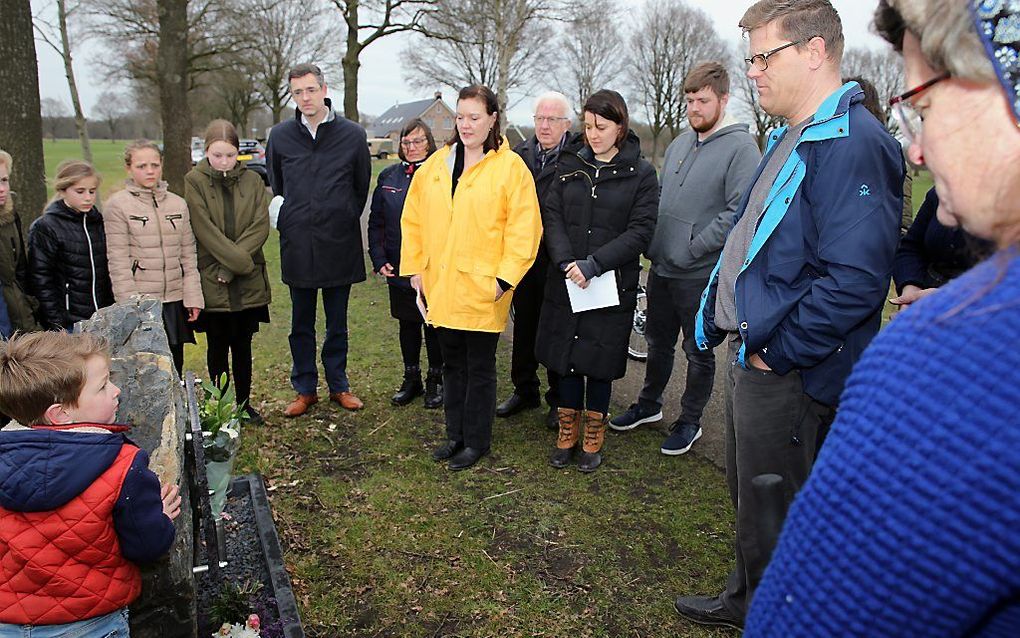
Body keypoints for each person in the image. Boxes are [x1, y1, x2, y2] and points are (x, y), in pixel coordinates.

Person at [746, 3, 1020, 632]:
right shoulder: (793, 136)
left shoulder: (954, 362)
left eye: (924, 108)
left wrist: (775, 351)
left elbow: (811, 619)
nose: (917, 149)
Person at [676, 0, 904, 629]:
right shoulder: (793, 137)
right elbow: (749, 244)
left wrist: (774, 353)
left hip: (792, 372)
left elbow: (855, 282)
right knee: (754, 496)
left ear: (813, 52)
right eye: (749, 58)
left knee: (783, 504)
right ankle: (750, 598)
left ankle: (786, 617)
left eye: (762, 57)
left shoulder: (853, 144)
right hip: (760, 356)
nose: (751, 72)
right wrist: (717, 315)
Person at [609, 62, 761, 456]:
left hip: (699, 273)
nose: (694, 108)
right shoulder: (678, 142)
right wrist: (655, 241)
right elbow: (660, 200)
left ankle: (690, 420)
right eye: (690, 100)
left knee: (697, 350)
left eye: (703, 100)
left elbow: (736, 214)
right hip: (662, 267)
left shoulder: (741, 149)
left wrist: (691, 247)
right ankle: (649, 404)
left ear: (723, 100)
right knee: (657, 342)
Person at [0, 331, 180, 634]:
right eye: (103, 386)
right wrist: (159, 517)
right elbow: (146, 546)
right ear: (60, 414)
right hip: (92, 623)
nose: (117, 390)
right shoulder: (123, 465)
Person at [400, 84, 542, 471]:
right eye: (460, 117)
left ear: (493, 119)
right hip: (440, 286)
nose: (465, 125)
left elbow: (524, 230)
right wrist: (414, 270)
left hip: (482, 289)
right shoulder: (437, 165)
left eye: (474, 117)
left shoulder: (510, 169)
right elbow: (412, 219)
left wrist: (504, 280)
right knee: (451, 364)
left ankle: (476, 440)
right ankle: (454, 434)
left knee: (479, 368)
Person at [536, 89, 659, 473]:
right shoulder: (570, 164)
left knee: (598, 359)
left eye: (601, 127)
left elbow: (641, 231)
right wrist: (565, 261)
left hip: (608, 282)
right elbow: (552, 214)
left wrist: (595, 264)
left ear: (620, 127)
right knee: (568, 357)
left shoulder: (641, 173)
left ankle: (594, 431)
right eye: (588, 126)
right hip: (567, 279)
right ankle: (566, 429)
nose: (592, 134)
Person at [266, 63, 372, 418]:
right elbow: (278, 187)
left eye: (311, 90)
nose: (305, 98)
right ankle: (305, 388)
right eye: (298, 92)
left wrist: (338, 214)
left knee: (337, 323)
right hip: (298, 244)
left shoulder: (353, 135)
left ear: (325, 89)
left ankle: (339, 385)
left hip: (339, 242)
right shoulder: (280, 137)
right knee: (301, 323)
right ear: (292, 96)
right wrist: (297, 219)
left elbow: (359, 189)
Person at [185, 120, 272, 425]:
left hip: (243, 279)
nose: (224, 161)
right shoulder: (194, 181)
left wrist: (234, 267)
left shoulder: (253, 182)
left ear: (239, 154)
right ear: (206, 152)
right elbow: (204, 229)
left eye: (230, 155)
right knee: (218, 346)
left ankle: (244, 404)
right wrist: (236, 263)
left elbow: (260, 226)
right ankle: (220, 406)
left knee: (243, 345)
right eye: (217, 155)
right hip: (212, 278)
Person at [495, 91, 572, 427]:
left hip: (558, 258)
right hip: (524, 256)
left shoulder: (577, 157)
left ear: (566, 124)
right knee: (523, 326)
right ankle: (524, 389)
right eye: (540, 118)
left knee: (556, 329)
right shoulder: (520, 154)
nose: (544, 125)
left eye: (552, 119)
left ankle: (558, 399)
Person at [103, 140, 203, 377]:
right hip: (143, 301)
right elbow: (118, 260)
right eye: (142, 166)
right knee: (147, 368)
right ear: (129, 168)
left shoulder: (178, 203)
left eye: (154, 165)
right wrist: (130, 306)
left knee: (175, 363)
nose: (150, 171)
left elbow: (188, 254)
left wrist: (193, 296)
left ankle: (176, 411)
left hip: (175, 299)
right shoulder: (118, 206)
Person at [368, 119, 443, 409]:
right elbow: (376, 222)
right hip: (398, 267)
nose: (412, 147)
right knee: (407, 324)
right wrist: (379, 258)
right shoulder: (388, 177)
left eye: (419, 141)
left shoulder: (442, 175)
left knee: (433, 325)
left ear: (429, 143)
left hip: (432, 269)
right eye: (407, 142)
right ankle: (411, 378)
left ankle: (437, 378)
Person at [27, 160, 115, 332]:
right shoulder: (46, 227)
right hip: (68, 322)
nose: (88, 198)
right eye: (80, 192)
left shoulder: (98, 223)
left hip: (103, 318)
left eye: (92, 191)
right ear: (63, 190)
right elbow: (41, 279)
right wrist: (56, 323)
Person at [890, 186, 994, 307]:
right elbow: (911, 247)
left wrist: (950, 297)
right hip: (925, 307)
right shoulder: (942, 190)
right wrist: (911, 293)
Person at [0, 150, 40, 335]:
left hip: (16, 312)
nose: (2, 189)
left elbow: (20, 272)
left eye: (4, 180)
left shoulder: (10, 216)